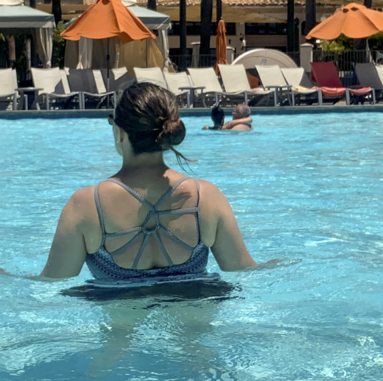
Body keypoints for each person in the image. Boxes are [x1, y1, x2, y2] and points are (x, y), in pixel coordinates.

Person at [37, 82, 270, 282]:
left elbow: (52, 281)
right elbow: (245, 271)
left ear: (119, 132)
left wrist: (2, 275)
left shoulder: (86, 205)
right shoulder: (205, 197)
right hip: (194, 317)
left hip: (121, 322)